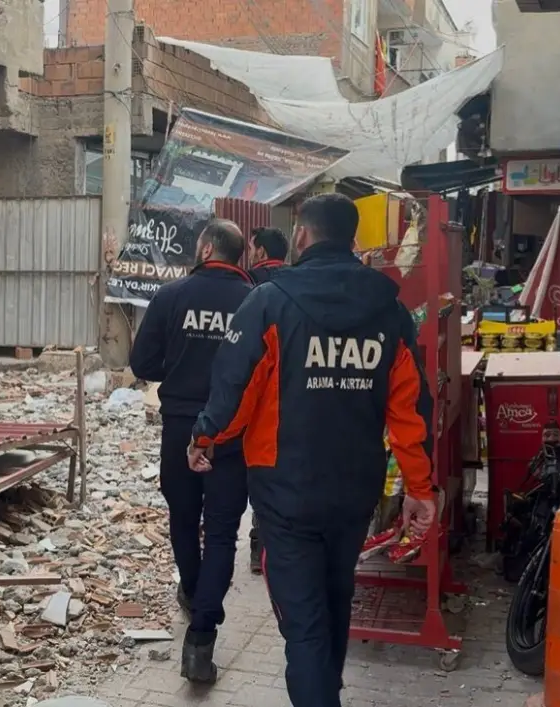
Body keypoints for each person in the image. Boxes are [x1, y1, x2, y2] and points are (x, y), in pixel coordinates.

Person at [186, 193, 437, 707]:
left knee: (303, 625)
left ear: (301, 234)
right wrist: (419, 487)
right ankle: (328, 688)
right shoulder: (388, 313)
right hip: (354, 489)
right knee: (335, 598)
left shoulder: (270, 303)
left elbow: (234, 392)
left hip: (286, 494)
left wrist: (206, 437)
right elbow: (410, 411)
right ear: (353, 240)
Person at [129, 219, 254, 685]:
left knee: (183, 517)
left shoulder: (170, 296)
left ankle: (194, 590)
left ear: (204, 247)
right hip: (232, 433)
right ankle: (201, 637)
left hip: (180, 425)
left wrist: (179, 369)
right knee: (222, 532)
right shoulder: (254, 301)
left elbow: (141, 363)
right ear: (238, 255)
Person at [243, 226, 290, 574]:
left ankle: (259, 541)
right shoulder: (298, 283)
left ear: (260, 252)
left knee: (257, 462)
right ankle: (276, 538)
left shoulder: (249, 283)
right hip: (292, 390)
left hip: (254, 390)